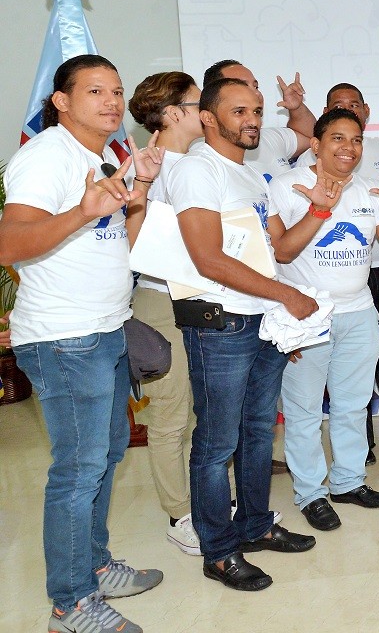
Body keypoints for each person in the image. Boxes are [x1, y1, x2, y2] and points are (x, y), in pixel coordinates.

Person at [0, 54, 165, 633]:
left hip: (105, 328)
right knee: (77, 469)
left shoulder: (100, 159)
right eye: (95, 91)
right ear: (61, 102)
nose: (112, 102)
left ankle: (94, 566)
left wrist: (137, 187)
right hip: (65, 339)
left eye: (117, 91)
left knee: (107, 457)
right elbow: (8, 243)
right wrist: (80, 210)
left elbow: (117, 244)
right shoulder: (46, 156)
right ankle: (69, 605)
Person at [167, 76, 319, 592]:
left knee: (257, 431)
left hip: (261, 321)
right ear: (208, 117)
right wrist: (286, 297)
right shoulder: (195, 170)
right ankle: (219, 550)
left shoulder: (251, 175)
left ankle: (255, 526)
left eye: (256, 110)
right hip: (221, 323)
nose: (253, 120)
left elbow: (278, 249)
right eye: (239, 111)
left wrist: (320, 210)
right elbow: (207, 258)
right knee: (215, 443)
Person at [268, 107, 379, 529]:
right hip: (305, 319)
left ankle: (349, 482)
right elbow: (281, 252)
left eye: (355, 140)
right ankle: (311, 494)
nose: (348, 148)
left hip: (358, 314)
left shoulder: (372, 191)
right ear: (315, 144)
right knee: (304, 412)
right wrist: (317, 211)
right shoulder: (286, 187)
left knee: (353, 407)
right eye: (337, 138)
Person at [297, 84, 379, 458]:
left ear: (367, 110)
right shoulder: (309, 169)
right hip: (335, 278)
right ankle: (361, 443)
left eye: (354, 106)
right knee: (348, 365)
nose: (348, 147)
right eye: (339, 109)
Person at [126, 71, 206, 555]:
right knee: (171, 415)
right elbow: (135, 244)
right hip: (161, 299)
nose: (207, 109)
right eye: (199, 102)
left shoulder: (201, 163)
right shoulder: (148, 168)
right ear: (173, 112)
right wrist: (141, 183)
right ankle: (180, 515)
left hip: (203, 298)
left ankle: (206, 502)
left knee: (200, 410)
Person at [201, 60, 315, 181]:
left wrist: (297, 108)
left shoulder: (270, 137)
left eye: (256, 86)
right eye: (241, 86)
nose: (255, 93)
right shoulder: (203, 161)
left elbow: (315, 140)